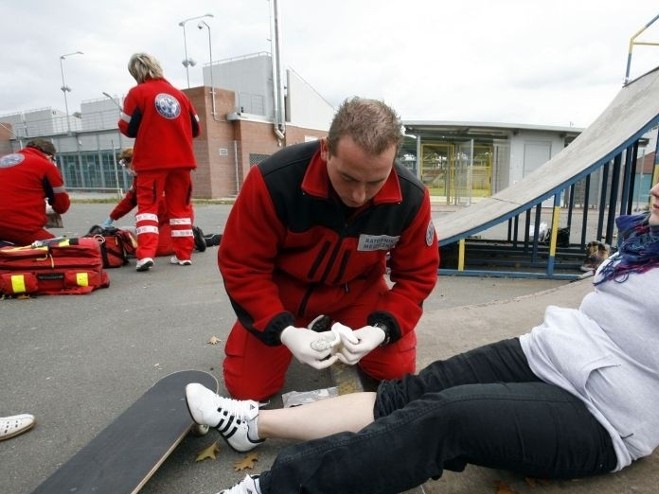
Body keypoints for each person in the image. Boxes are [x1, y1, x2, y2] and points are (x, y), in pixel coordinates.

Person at [169, 126, 659, 494]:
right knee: (413, 391)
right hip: (550, 355)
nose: (658, 192)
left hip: (606, 416)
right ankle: (252, 425)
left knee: (445, 418)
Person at [217, 97, 440, 402]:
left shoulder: (411, 198)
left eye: (376, 181)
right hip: (284, 292)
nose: (360, 195)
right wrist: (284, 331)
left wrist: (381, 328)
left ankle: (329, 325)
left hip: (357, 290)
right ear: (326, 150)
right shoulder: (274, 182)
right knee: (249, 390)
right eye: (348, 178)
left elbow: (418, 275)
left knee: (396, 370)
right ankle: (298, 328)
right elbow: (242, 266)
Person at [118, 52, 200, 272]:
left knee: (147, 208)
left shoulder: (137, 93)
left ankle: (145, 255)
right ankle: (184, 254)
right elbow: (196, 127)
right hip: (182, 160)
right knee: (181, 209)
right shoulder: (180, 96)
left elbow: (128, 128)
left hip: (152, 162)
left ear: (136, 73)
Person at [100, 148, 215, 255]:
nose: (126, 168)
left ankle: (193, 237)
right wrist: (111, 218)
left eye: (126, 164)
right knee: (146, 245)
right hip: (157, 220)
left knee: (161, 249)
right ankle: (187, 237)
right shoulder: (138, 179)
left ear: (134, 161)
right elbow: (129, 201)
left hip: (173, 219)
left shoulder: (158, 173)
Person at [0, 139, 68, 246]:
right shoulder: (46, 166)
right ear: (49, 156)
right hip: (20, 227)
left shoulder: (4, 160)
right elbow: (62, 206)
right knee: (58, 249)